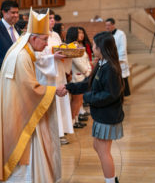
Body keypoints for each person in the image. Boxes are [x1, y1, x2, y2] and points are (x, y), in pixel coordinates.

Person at [0, 8, 65, 183]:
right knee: (26, 149)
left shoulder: (21, 50)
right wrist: (54, 90)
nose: (47, 45)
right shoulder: (21, 56)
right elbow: (30, 89)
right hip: (20, 113)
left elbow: (34, 67)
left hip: (15, 109)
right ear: (33, 38)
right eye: (45, 40)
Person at [63, 31, 124, 183]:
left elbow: (111, 95)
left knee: (103, 151)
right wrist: (69, 87)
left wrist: (88, 97)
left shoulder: (110, 68)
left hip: (108, 115)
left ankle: (111, 181)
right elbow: (88, 83)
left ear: (102, 48)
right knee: (98, 146)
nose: (93, 48)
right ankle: (111, 178)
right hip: (102, 114)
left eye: (95, 45)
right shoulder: (101, 64)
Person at [34, 9, 73, 145]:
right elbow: (36, 58)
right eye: (49, 18)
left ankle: (61, 132)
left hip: (59, 72)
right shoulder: (36, 35)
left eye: (53, 18)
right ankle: (51, 133)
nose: (52, 20)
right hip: (46, 76)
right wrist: (53, 57)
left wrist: (68, 54)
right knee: (51, 104)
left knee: (61, 102)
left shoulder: (55, 35)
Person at [65, 27, 92, 128]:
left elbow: (86, 60)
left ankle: (76, 119)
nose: (81, 34)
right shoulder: (71, 46)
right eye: (79, 33)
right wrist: (86, 71)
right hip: (77, 76)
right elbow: (77, 62)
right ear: (73, 34)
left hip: (82, 75)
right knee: (76, 101)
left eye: (82, 32)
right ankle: (73, 122)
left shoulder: (78, 45)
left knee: (79, 101)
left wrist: (88, 70)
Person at [105, 18, 130, 96]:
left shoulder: (121, 34)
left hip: (119, 60)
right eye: (106, 25)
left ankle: (123, 95)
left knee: (122, 78)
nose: (107, 27)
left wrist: (119, 59)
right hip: (112, 60)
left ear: (113, 25)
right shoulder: (107, 34)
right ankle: (118, 95)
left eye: (108, 25)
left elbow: (123, 47)